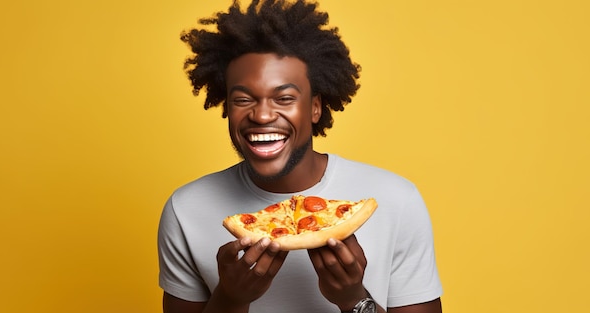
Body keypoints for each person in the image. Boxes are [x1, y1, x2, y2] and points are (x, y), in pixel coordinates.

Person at [157, 0, 443, 312]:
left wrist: (354, 299)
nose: (263, 115)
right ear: (227, 107)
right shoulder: (186, 209)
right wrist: (231, 299)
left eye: (284, 98)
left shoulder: (396, 199)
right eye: (243, 99)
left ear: (316, 107)